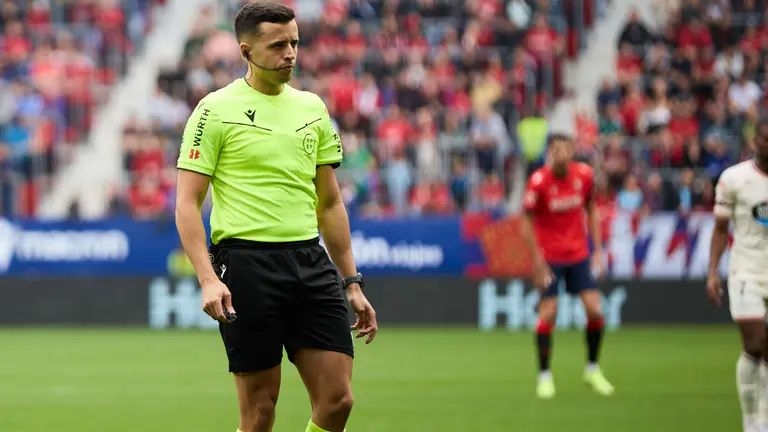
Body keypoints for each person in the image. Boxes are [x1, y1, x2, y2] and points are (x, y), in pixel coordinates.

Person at [174, 2, 378, 432]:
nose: (290, 53)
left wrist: (352, 281)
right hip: (247, 265)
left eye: (295, 43)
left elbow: (330, 204)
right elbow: (188, 204)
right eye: (278, 45)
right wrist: (209, 278)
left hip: (309, 260)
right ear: (246, 50)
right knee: (260, 412)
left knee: (338, 400)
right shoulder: (213, 110)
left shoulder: (312, 108)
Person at [520, 133, 614, 399]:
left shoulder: (583, 175)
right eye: (557, 148)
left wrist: (597, 251)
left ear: (573, 150)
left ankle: (592, 369)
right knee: (549, 313)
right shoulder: (538, 182)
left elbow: (592, 209)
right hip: (550, 257)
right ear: (550, 152)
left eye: (567, 148)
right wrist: (537, 261)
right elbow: (526, 221)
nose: (562, 153)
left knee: (595, 310)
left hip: (578, 254)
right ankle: (544, 376)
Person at [708, 119, 768, 432]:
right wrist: (711, 273)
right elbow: (720, 230)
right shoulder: (734, 179)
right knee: (756, 343)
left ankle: (764, 420)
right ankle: (750, 418)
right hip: (746, 268)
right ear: (755, 142)